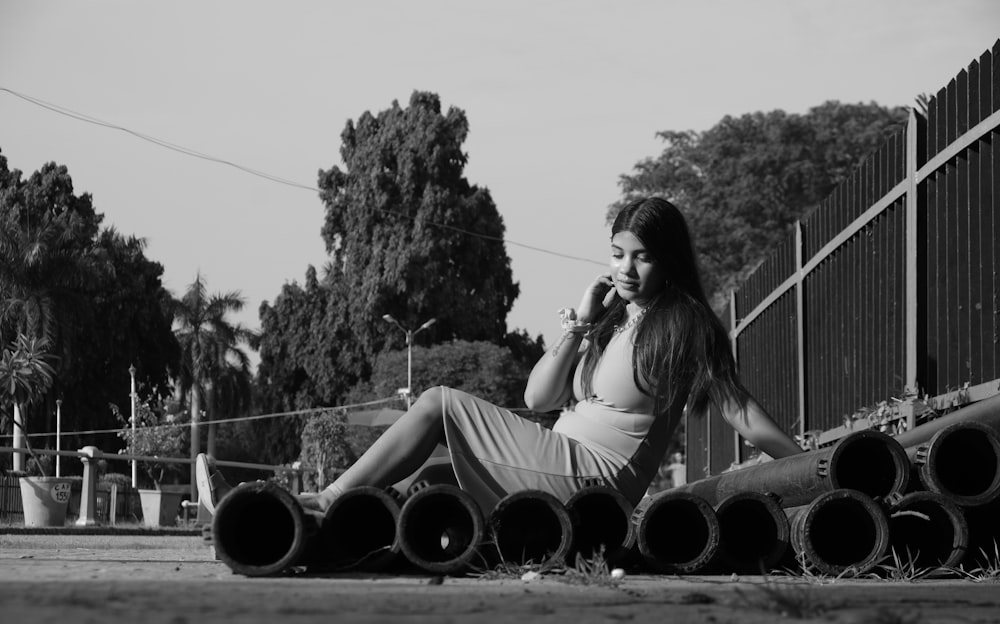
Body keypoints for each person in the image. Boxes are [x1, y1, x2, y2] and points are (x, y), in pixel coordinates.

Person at [197, 197, 802, 517]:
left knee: (437, 404)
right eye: (617, 252)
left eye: (640, 256)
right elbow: (539, 400)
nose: (624, 268)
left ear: (667, 259)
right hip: (560, 455)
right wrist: (580, 328)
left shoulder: (684, 325)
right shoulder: (615, 319)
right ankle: (291, 514)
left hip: (595, 479)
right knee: (431, 477)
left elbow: (736, 406)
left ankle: (321, 504)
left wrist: (807, 466)